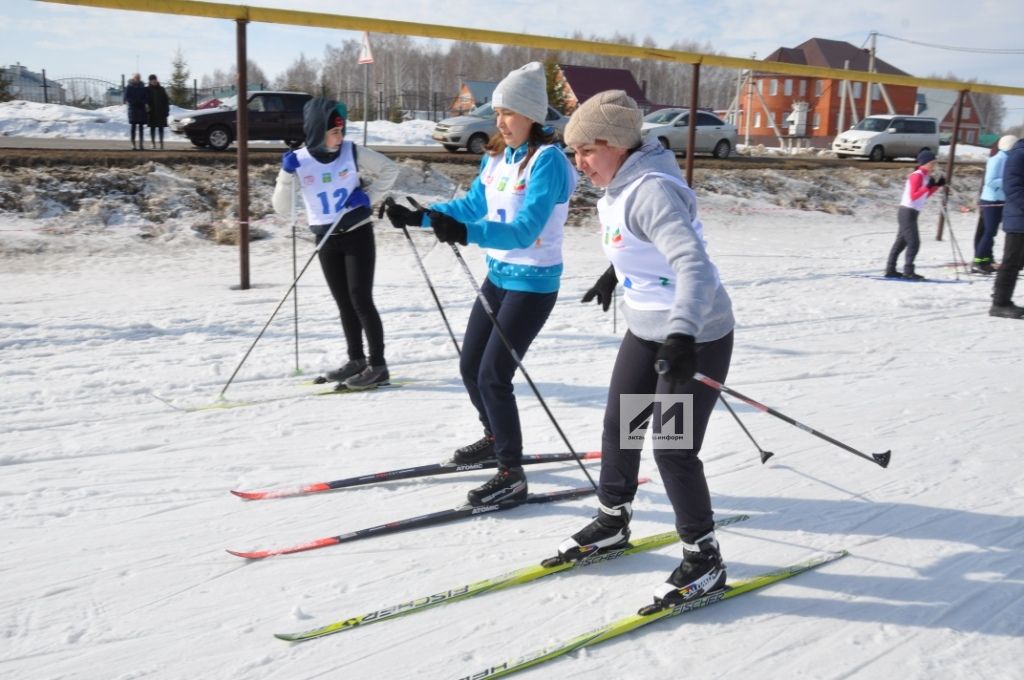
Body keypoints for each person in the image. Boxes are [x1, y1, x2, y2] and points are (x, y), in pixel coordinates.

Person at [554, 90, 735, 605]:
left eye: (586, 151)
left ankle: (705, 560)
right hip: (648, 329)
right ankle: (612, 520)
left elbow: (693, 265)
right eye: (575, 153)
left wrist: (681, 334)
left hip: (693, 335)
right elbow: (644, 243)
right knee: (622, 425)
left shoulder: (651, 189)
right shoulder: (620, 185)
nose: (579, 163)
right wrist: (617, 273)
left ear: (613, 145)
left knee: (673, 447)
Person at [385, 62, 578, 506]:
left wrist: (468, 233)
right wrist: (421, 217)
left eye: (508, 113)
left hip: (533, 284)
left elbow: (527, 229)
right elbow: (471, 205)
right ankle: (494, 437)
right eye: (497, 113)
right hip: (498, 277)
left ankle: (511, 473)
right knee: (471, 367)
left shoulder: (546, 162)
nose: (500, 121)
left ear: (530, 113)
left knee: (494, 376)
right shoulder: (497, 157)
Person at [271, 97, 399, 387]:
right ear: (317, 131)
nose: (340, 138)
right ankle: (356, 360)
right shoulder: (299, 160)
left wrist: (369, 197)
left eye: (342, 131)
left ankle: (378, 366)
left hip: (357, 233)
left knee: (360, 300)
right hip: (326, 238)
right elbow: (282, 207)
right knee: (343, 302)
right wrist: (285, 174)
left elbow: (390, 170)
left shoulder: (351, 152)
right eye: (334, 132)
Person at [885, 148, 944, 280]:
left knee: (901, 242)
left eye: (934, 163)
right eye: (932, 163)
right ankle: (908, 271)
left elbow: (924, 196)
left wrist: (936, 186)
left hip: (913, 212)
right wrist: (926, 187)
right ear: (925, 163)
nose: (934, 166)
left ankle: (890, 269)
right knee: (914, 243)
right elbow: (913, 196)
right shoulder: (917, 175)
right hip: (907, 211)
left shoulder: (926, 177)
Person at [974, 135, 1019, 274]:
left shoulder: (1008, 159)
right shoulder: (997, 159)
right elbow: (990, 181)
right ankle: (978, 261)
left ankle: (986, 260)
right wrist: (1008, 180)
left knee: (991, 232)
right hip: (991, 200)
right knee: (989, 232)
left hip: (1000, 200)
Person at [990, 137, 1024, 319]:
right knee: (1012, 262)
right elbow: (1012, 188)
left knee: (1017, 262)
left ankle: (1001, 298)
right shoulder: (1019, 155)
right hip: (1019, 220)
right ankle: (1000, 303)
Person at [146, 74, 170, 150]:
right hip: (152, 112)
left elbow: (166, 101)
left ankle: (161, 143)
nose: (154, 81)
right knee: (152, 128)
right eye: (152, 80)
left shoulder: (161, 89)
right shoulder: (147, 89)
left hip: (161, 112)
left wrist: (166, 111)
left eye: (155, 80)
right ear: (150, 81)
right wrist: (147, 109)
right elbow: (145, 100)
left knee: (161, 128)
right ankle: (153, 143)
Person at [124, 73, 148, 151]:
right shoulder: (129, 87)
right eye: (136, 78)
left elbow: (146, 97)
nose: (137, 79)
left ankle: (141, 144)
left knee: (141, 128)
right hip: (133, 109)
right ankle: (133, 144)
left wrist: (142, 102)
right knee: (133, 127)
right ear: (133, 78)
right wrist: (133, 102)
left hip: (141, 109)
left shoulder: (143, 87)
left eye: (138, 78)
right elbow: (127, 97)